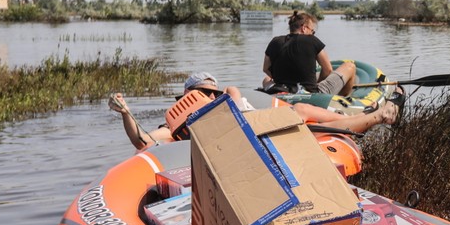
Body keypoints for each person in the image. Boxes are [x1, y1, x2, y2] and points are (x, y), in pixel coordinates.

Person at [110, 71, 399, 151]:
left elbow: (235, 107)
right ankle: (375, 117)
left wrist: (223, 101)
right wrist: (125, 112)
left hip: (263, 124)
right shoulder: (176, 125)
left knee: (300, 109)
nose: (209, 96)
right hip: (260, 137)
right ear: (187, 96)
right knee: (300, 115)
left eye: (212, 91)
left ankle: (355, 120)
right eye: (203, 92)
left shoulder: (230, 93)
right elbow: (143, 142)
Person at [261, 11, 356, 96]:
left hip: (281, 89)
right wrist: (318, 83)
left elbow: (266, 68)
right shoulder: (311, 40)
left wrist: (281, 80)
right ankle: (342, 100)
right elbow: (328, 69)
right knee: (350, 66)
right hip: (309, 94)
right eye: (312, 31)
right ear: (304, 28)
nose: (312, 33)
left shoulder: (275, 41)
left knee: (266, 79)